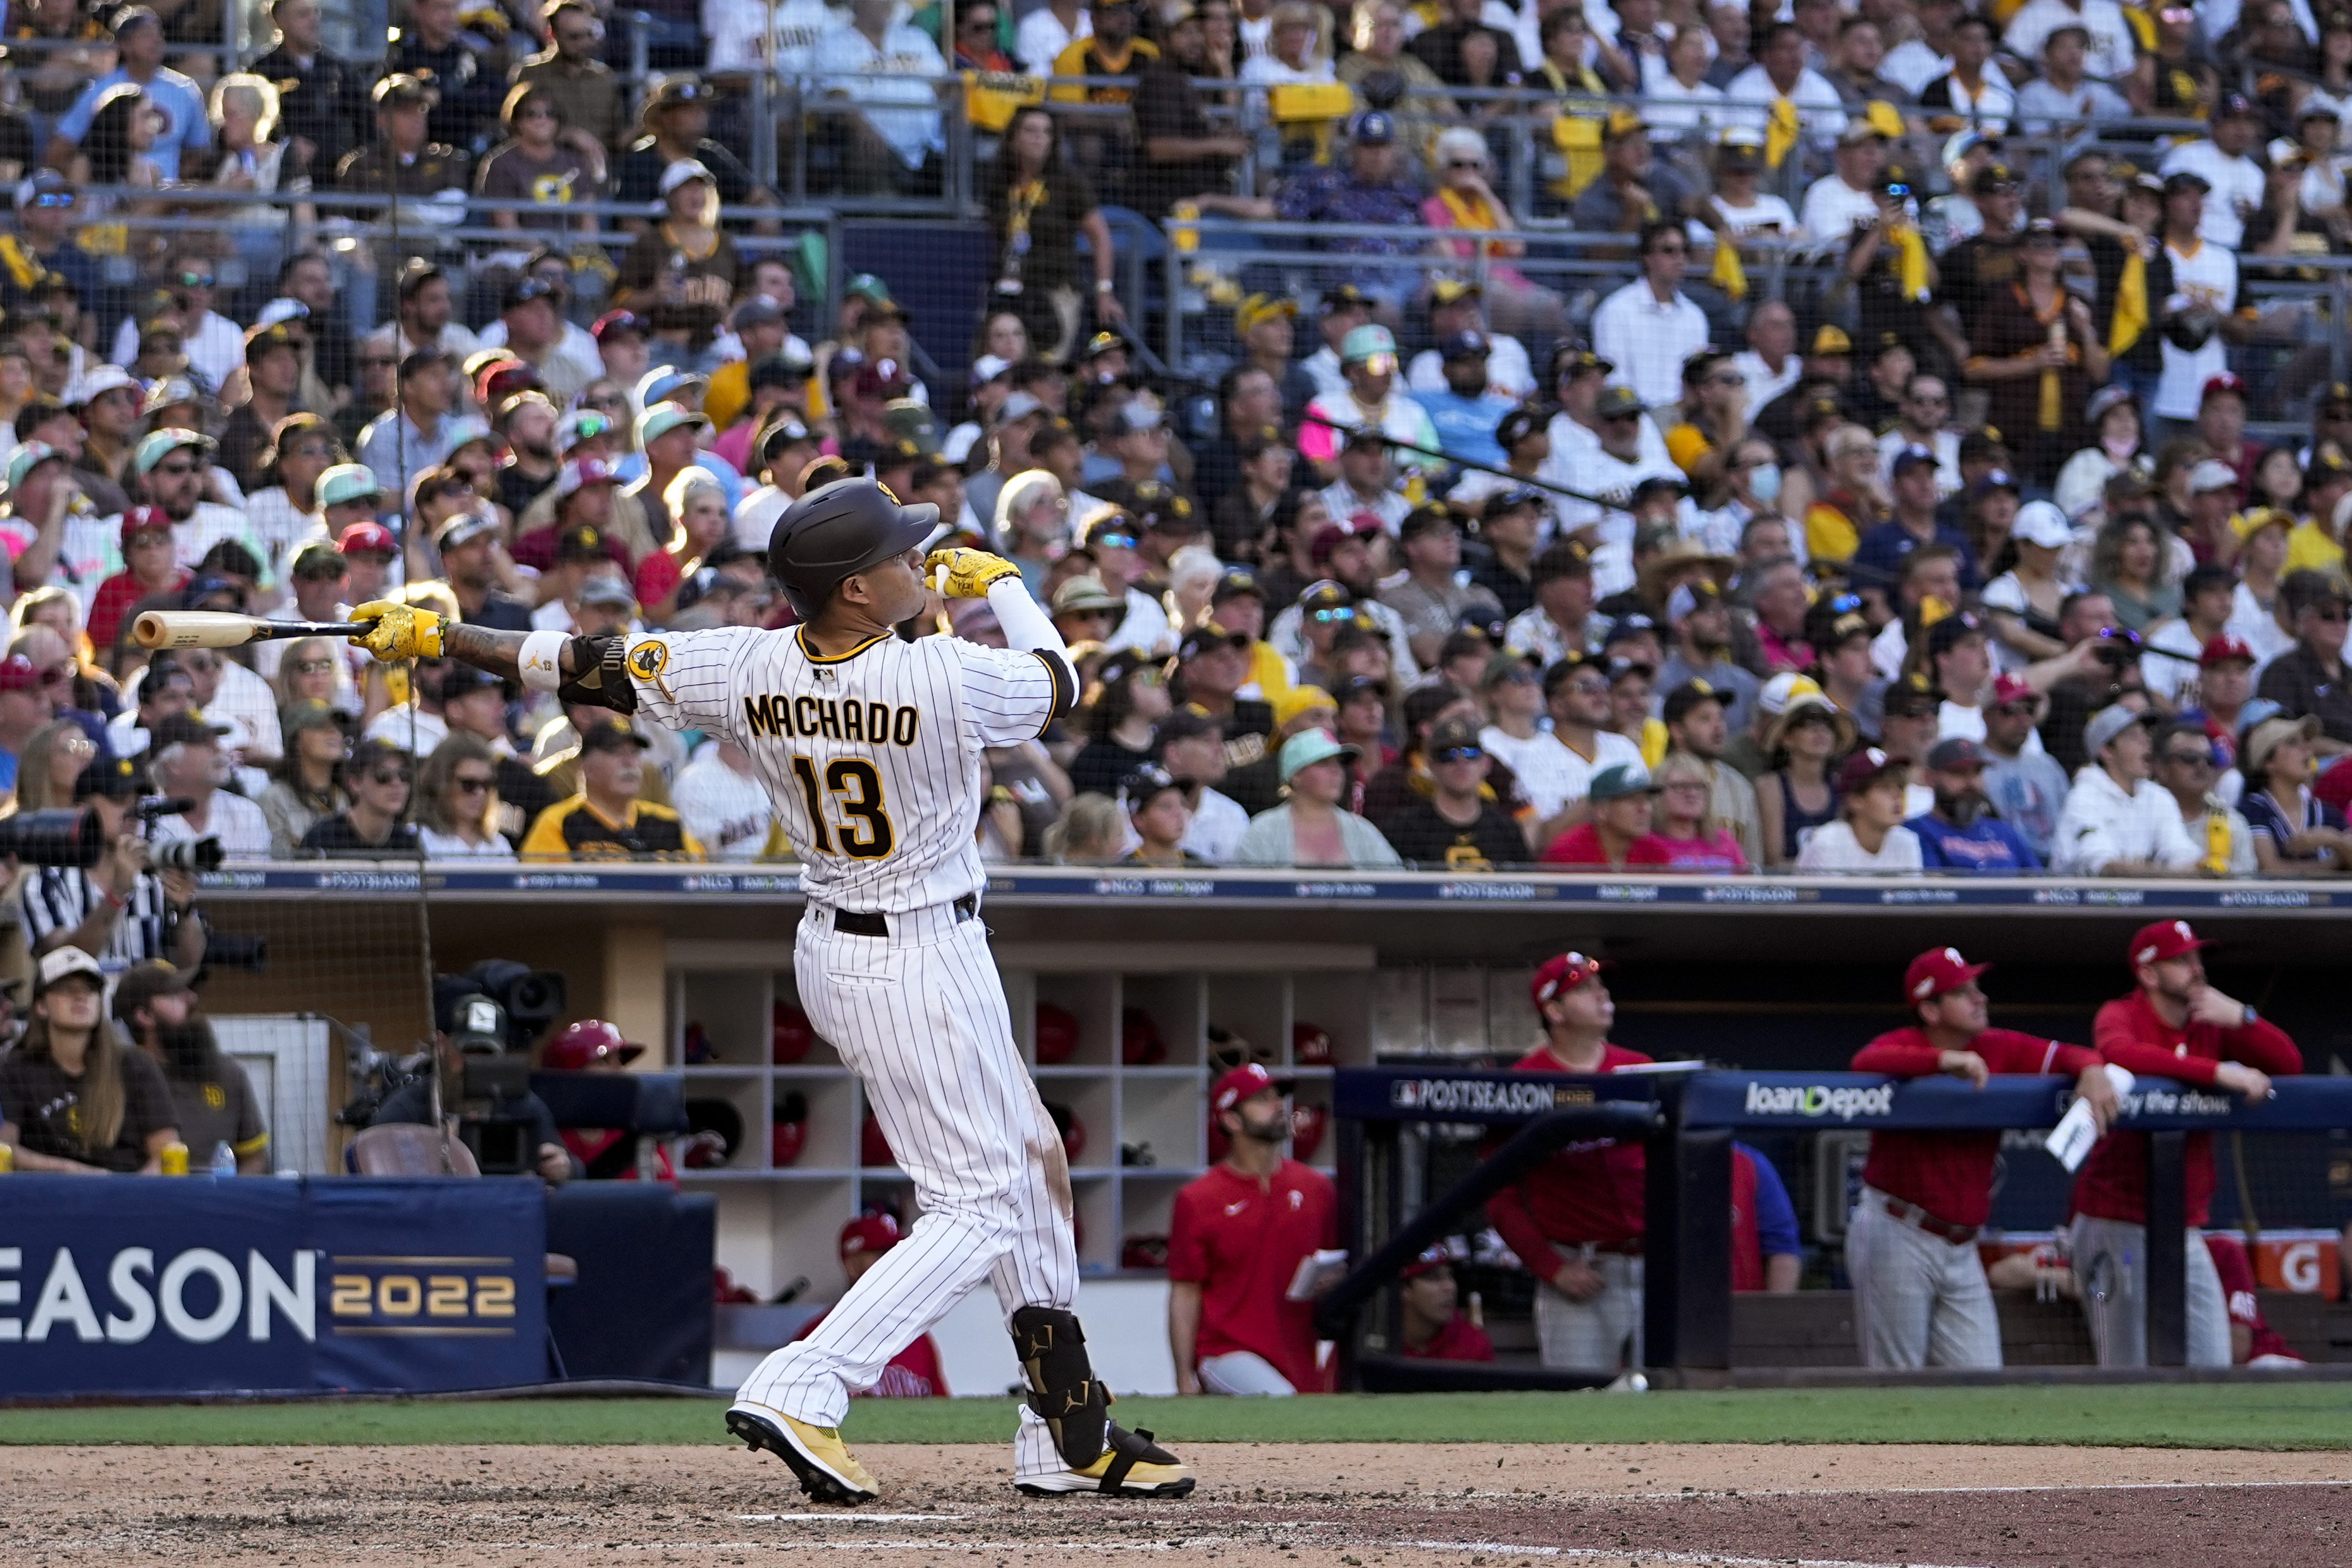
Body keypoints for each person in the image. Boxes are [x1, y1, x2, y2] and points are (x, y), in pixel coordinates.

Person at [347, 479, 1190, 1499]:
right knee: (977, 1205)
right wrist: (1005, 580)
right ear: (852, 591)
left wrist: (436, 637)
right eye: (899, 559)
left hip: (855, 945)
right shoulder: (939, 677)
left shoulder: (741, 660)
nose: (917, 564)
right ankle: (806, 1383)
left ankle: (1067, 1427)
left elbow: (575, 662)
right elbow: (1056, 681)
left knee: (1034, 1159)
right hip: (913, 957)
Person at [1846, 947, 2117, 1368]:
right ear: (1930, 1010)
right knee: (1895, 1380)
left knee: (1982, 1377)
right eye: (1962, 992)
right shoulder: (1905, 1044)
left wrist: (2093, 1068)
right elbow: (1864, 1062)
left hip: (1961, 1245)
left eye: (1977, 988)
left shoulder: (1996, 1045)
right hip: (1898, 1228)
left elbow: (2069, 1054)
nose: (1980, 999)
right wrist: (1940, 1061)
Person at [2072, 920, 2301, 1367]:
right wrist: (2217, 1072)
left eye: (2197, 958)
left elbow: (2288, 1064)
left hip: (2182, 1226)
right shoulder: (2122, 1013)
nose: (2196, 968)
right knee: (2125, 1369)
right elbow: (2121, 1053)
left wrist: (2242, 1018)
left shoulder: (2211, 1023)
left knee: (2211, 1364)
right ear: (2149, 974)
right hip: (2113, 1218)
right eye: (2180, 960)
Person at [1483, 952, 1650, 1370]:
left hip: (1651, 1264)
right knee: (1579, 1400)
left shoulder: (1640, 1069)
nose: (1600, 994)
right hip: (1579, 1269)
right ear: (1553, 1011)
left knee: (1667, 1395)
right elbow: (1497, 1193)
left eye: (1600, 985)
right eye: (1582, 989)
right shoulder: (1523, 1081)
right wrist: (1550, 1266)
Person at [1167, 1061, 1337, 1395]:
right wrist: (1184, 1374)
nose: (1278, 1107)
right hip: (1224, 1350)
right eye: (1262, 1100)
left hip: (1299, 1352)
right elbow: (1186, 1291)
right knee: (1283, 1406)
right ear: (1231, 1119)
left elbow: (1334, 1262)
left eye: (1278, 1097)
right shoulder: (1198, 1198)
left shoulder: (1316, 1188)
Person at [0, 946, 178, 1173]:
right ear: (41, 1006)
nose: (81, 996)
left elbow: (166, 1152)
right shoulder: (14, 1069)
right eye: (67, 989)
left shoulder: (136, 1065)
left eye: (91, 989)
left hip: (128, 1194)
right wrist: (72, 1171)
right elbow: (5, 1149)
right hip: (48, 1198)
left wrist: (132, 1197)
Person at [370, 988, 570, 1184]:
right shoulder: (408, 1110)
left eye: (486, 1054)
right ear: (441, 1044)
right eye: (468, 1050)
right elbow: (379, 1185)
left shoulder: (520, 1104)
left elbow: (570, 1166)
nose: (474, 1063)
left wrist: (561, 1167)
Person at [982, 107, 1121, 362]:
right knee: (1002, 366)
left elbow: (1099, 235)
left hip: (1055, 292)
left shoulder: (1069, 182)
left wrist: (1104, 290)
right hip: (1009, 290)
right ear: (1013, 138)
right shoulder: (999, 181)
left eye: (1046, 132)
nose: (1039, 138)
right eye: (1030, 131)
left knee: (1046, 367)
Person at [113, 959, 267, 1173]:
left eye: (189, 990)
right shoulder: (117, 1079)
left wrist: (228, 1201)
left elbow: (254, 1158)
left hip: (217, 1202)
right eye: (175, 995)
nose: (192, 998)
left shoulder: (228, 1073)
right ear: (145, 1016)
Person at [784, 1213, 949, 1397]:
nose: (894, 1265)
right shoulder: (814, 1338)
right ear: (851, 1266)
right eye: (882, 1256)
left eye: (898, 1255)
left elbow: (946, 1417)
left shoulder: (919, 1340)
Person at [520, 716, 699, 858]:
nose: (629, 762)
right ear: (584, 766)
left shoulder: (668, 823)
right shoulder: (559, 824)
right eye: (616, 752)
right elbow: (540, 896)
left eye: (634, 753)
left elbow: (708, 884)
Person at [2055, 704, 2201, 875]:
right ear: (2107, 751)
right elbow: (2105, 868)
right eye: (2133, 737)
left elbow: (2182, 852)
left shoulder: (2157, 796)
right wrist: (2172, 874)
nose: (2146, 744)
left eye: (2146, 735)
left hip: (2143, 897)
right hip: (2079, 900)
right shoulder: (2084, 797)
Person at [1232, 728, 1404, 869]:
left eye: (1339, 763)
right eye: (1324, 763)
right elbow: (1242, 895)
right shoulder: (1264, 831)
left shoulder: (1361, 831)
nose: (1336, 771)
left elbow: (1397, 888)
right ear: (1295, 776)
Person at [1378, 716, 1529, 870]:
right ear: (1431, 766)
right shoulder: (1404, 829)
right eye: (1447, 754)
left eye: (1470, 753)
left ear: (1486, 764)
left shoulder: (1506, 830)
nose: (1460, 762)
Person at [1588, 222, 1710, 411]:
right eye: (1669, 251)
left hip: (1684, 420)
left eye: (1685, 250)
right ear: (1647, 257)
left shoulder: (1695, 316)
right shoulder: (1616, 310)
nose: (1679, 258)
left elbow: (1697, 378)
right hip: (1631, 418)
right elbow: (1614, 380)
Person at [2239, 714, 2352, 874]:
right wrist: (2332, 866)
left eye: (2305, 742)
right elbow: (2271, 869)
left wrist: (2334, 839)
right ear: (2268, 763)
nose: (2306, 749)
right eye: (2292, 743)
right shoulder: (2253, 808)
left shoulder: (2327, 812)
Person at [145, 713, 271, 856]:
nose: (219, 749)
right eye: (205, 743)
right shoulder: (144, 819)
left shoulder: (246, 813)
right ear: (172, 765)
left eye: (216, 741)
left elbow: (261, 877)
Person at [1907, 737, 2040, 871]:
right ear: (1929, 778)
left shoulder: (2004, 832)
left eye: (1977, 772)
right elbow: (1935, 890)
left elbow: (2039, 886)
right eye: (1958, 773)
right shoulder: (1915, 831)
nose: (1971, 783)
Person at [1756, 686, 1852, 867]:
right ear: (1786, 738)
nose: (1820, 731)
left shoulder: (1840, 785)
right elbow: (1773, 862)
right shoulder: (1770, 787)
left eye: (1828, 725)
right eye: (1808, 724)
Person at [2257, 572, 2352, 747]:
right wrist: (2344, 752)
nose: (2339, 623)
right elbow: (2278, 737)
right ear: (2305, 622)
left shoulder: (2349, 673)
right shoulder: (2283, 671)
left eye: (2346, 616)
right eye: (2328, 616)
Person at [2153, 720, 2258, 876]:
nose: (2201, 766)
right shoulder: (2143, 813)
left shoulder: (2232, 822)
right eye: (2189, 758)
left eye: (2209, 759)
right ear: (2161, 768)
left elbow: (2246, 886)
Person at [1797, 747, 1924, 871]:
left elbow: (1908, 892)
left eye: (1900, 787)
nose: (1898, 796)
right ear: (1855, 800)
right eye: (1885, 788)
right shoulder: (1828, 843)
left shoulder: (1907, 842)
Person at [297, 739, 421, 857]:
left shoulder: (409, 845)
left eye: (404, 775)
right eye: (383, 776)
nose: (396, 783)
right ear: (355, 783)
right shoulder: (322, 840)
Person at [1537, 761, 1670, 868]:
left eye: (1646, 800)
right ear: (1602, 810)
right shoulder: (1567, 854)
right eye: (1632, 800)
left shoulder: (1655, 852)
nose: (1645, 808)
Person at [261, 699, 351, 855]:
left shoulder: (348, 797)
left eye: (336, 726)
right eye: (320, 726)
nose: (333, 732)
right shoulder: (275, 798)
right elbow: (279, 864)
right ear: (295, 739)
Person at [1393, 1247, 1494, 1361]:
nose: (1450, 1287)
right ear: (1404, 1289)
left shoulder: (1473, 1345)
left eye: (1450, 1275)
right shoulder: (1378, 1342)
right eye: (1434, 1278)